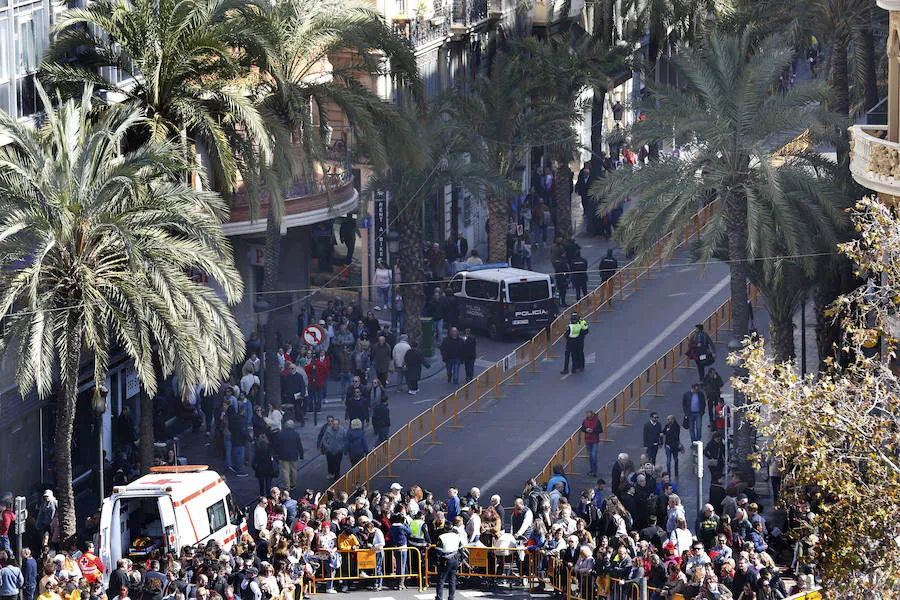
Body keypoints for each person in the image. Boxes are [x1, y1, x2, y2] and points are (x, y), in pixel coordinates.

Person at [433, 524, 464, 600]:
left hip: (445, 560)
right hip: (455, 559)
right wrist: (461, 560)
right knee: (452, 580)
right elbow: (461, 549)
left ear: (445, 529)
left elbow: (438, 551)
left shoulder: (442, 537)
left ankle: (439, 598)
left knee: (441, 580)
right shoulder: (457, 536)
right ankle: (451, 597)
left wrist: (436, 562)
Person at [273, 420, 304, 491]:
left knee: (285, 471)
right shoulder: (296, 434)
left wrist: (277, 453)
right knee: (294, 470)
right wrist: (301, 454)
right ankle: (293, 484)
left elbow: (277, 445)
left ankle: (287, 486)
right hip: (294, 455)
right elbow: (299, 445)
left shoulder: (281, 434)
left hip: (284, 455)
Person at [580, 411, 602, 477]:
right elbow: (582, 428)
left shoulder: (597, 421)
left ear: (592, 415)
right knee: (591, 457)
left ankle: (594, 471)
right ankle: (592, 470)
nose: (588, 416)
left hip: (594, 441)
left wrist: (593, 431)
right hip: (588, 440)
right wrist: (586, 430)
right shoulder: (585, 420)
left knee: (594, 456)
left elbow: (600, 430)